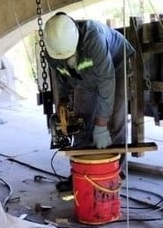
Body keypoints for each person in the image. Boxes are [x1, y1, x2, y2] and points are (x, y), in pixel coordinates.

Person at [43, 13, 135, 182]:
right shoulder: (53, 50)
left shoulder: (93, 38)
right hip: (84, 76)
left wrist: (101, 124)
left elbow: (107, 80)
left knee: (114, 119)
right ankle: (81, 171)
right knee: (81, 121)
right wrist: (63, 103)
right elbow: (60, 77)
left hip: (115, 64)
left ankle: (114, 173)